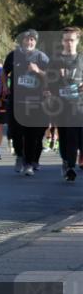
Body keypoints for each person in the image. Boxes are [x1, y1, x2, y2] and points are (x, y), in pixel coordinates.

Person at [3, 30, 49, 176]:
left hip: (35, 102)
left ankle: (29, 164)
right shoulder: (13, 55)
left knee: (30, 133)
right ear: (22, 41)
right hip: (16, 101)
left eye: (32, 40)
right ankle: (19, 155)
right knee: (15, 132)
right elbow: (4, 72)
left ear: (35, 42)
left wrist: (38, 71)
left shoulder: (42, 57)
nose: (29, 42)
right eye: (27, 40)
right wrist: (4, 86)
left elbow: (51, 76)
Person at [47, 26, 82, 182]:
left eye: (72, 40)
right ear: (62, 41)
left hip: (79, 105)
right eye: (66, 40)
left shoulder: (81, 60)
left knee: (74, 136)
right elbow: (49, 83)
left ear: (77, 41)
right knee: (65, 137)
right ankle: (66, 161)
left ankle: (71, 167)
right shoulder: (55, 61)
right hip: (61, 105)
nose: (69, 43)